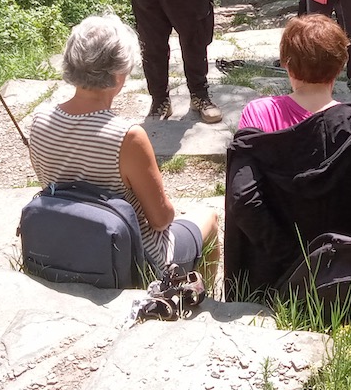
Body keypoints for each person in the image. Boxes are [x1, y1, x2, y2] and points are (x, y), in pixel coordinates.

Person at [226, 14, 351, 296]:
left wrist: (296, 263)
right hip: (350, 276)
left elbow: (244, 199)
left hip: (275, 279)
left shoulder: (259, 114)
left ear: (286, 63)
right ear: (341, 65)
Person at [27, 15, 219, 279]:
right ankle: (194, 297)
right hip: (133, 259)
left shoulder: (40, 119)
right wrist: (169, 208)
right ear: (118, 74)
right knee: (209, 218)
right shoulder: (127, 136)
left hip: (65, 246)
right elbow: (160, 220)